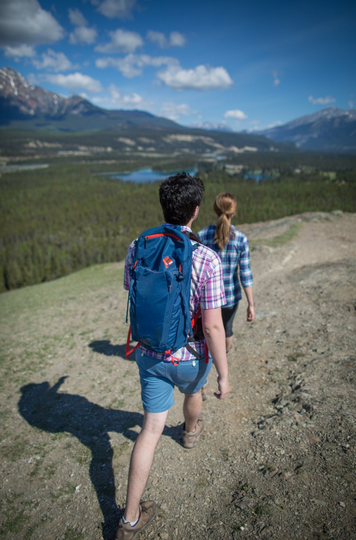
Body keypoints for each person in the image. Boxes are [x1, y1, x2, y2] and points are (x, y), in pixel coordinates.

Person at [117, 172, 229, 539]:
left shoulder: (139, 245)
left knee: (150, 429)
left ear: (164, 205)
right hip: (191, 358)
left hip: (149, 353)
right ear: (196, 211)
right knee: (193, 394)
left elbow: (130, 290)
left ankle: (129, 519)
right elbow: (213, 327)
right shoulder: (208, 258)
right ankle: (191, 432)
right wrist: (224, 375)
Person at [198, 192, 255, 357]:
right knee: (227, 328)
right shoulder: (241, 240)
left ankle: (206, 362)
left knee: (205, 330)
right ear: (234, 212)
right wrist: (251, 304)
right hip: (230, 297)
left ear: (215, 210)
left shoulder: (202, 236)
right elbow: (245, 274)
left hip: (206, 297)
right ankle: (224, 355)